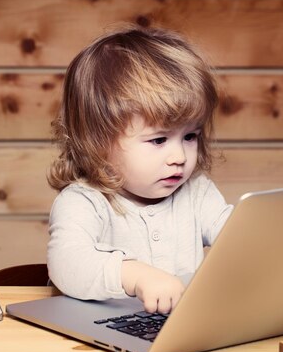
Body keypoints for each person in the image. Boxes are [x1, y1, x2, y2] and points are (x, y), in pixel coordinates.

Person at [46, 25, 233, 314]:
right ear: (98, 141)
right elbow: (67, 263)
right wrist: (136, 276)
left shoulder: (197, 193)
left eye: (190, 136)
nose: (180, 156)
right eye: (159, 139)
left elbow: (237, 237)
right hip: (97, 339)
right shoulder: (85, 201)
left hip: (178, 330)